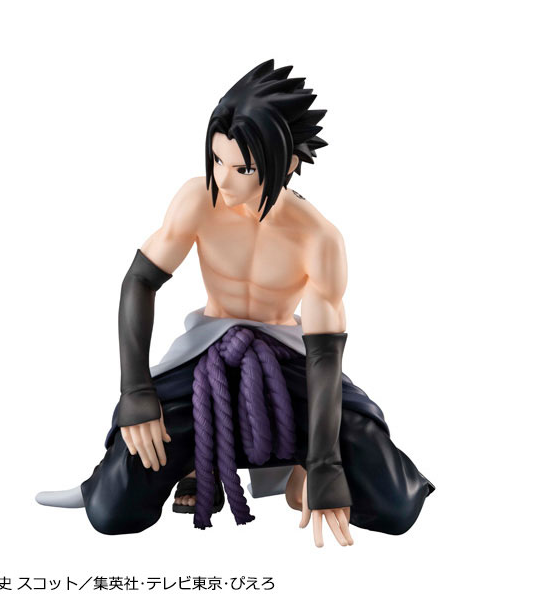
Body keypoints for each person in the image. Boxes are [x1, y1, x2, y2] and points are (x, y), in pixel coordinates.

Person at [36, 59, 434, 546]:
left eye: (243, 168)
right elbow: (139, 281)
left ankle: (301, 466)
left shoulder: (318, 238)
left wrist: (326, 461)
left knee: (395, 505)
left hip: (288, 353)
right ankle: (192, 459)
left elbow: (324, 352)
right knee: (112, 509)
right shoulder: (198, 199)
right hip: (208, 348)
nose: (224, 180)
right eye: (217, 160)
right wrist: (136, 390)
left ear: (286, 164)